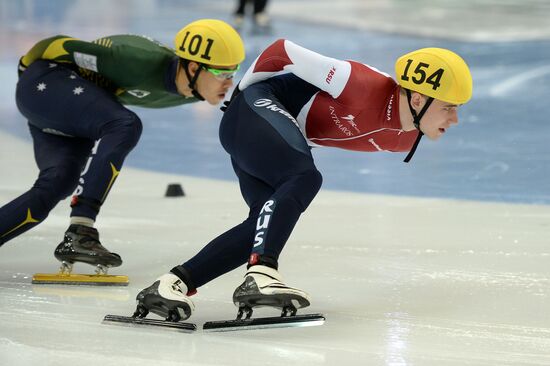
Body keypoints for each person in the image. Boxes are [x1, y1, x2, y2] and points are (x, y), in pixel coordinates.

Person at [135, 39, 473, 322]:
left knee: (262, 225)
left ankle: (172, 283)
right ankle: (262, 273)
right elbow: (282, 50)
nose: (456, 119)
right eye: (449, 107)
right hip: (255, 109)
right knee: (304, 176)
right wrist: (242, 95)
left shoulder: (404, 138)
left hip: (256, 134)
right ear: (417, 98)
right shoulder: (360, 82)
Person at [0, 19, 245, 275]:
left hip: (70, 109)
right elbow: (58, 45)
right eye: (222, 73)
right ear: (194, 67)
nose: (229, 83)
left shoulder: (189, 90)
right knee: (124, 124)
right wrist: (26, 67)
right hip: (46, 82)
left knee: (59, 182)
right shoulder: (136, 59)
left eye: (234, 72)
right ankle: (81, 230)